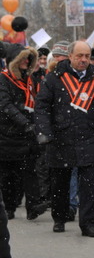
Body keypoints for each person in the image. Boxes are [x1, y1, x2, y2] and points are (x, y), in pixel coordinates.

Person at [35, 40, 94, 237]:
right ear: (70, 56)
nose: (84, 60)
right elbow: (42, 106)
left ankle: (88, 223)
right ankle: (59, 217)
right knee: (60, 181)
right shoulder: (54, 78)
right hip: (61, 136)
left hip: (90, 136)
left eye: (87, 56)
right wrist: (45, 131)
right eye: (79, 56)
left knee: (90, 184)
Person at [0, 45, 44, 220]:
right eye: (23, 59)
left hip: (27, 135)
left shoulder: (30, 79)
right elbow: (5, 106)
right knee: (8, 175)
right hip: (7, 134)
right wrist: (24, 122)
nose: (27, 62)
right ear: (14, 62)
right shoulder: (3, 79)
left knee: (30, 172)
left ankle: (33, 206)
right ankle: (9, 207)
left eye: (28, 59)